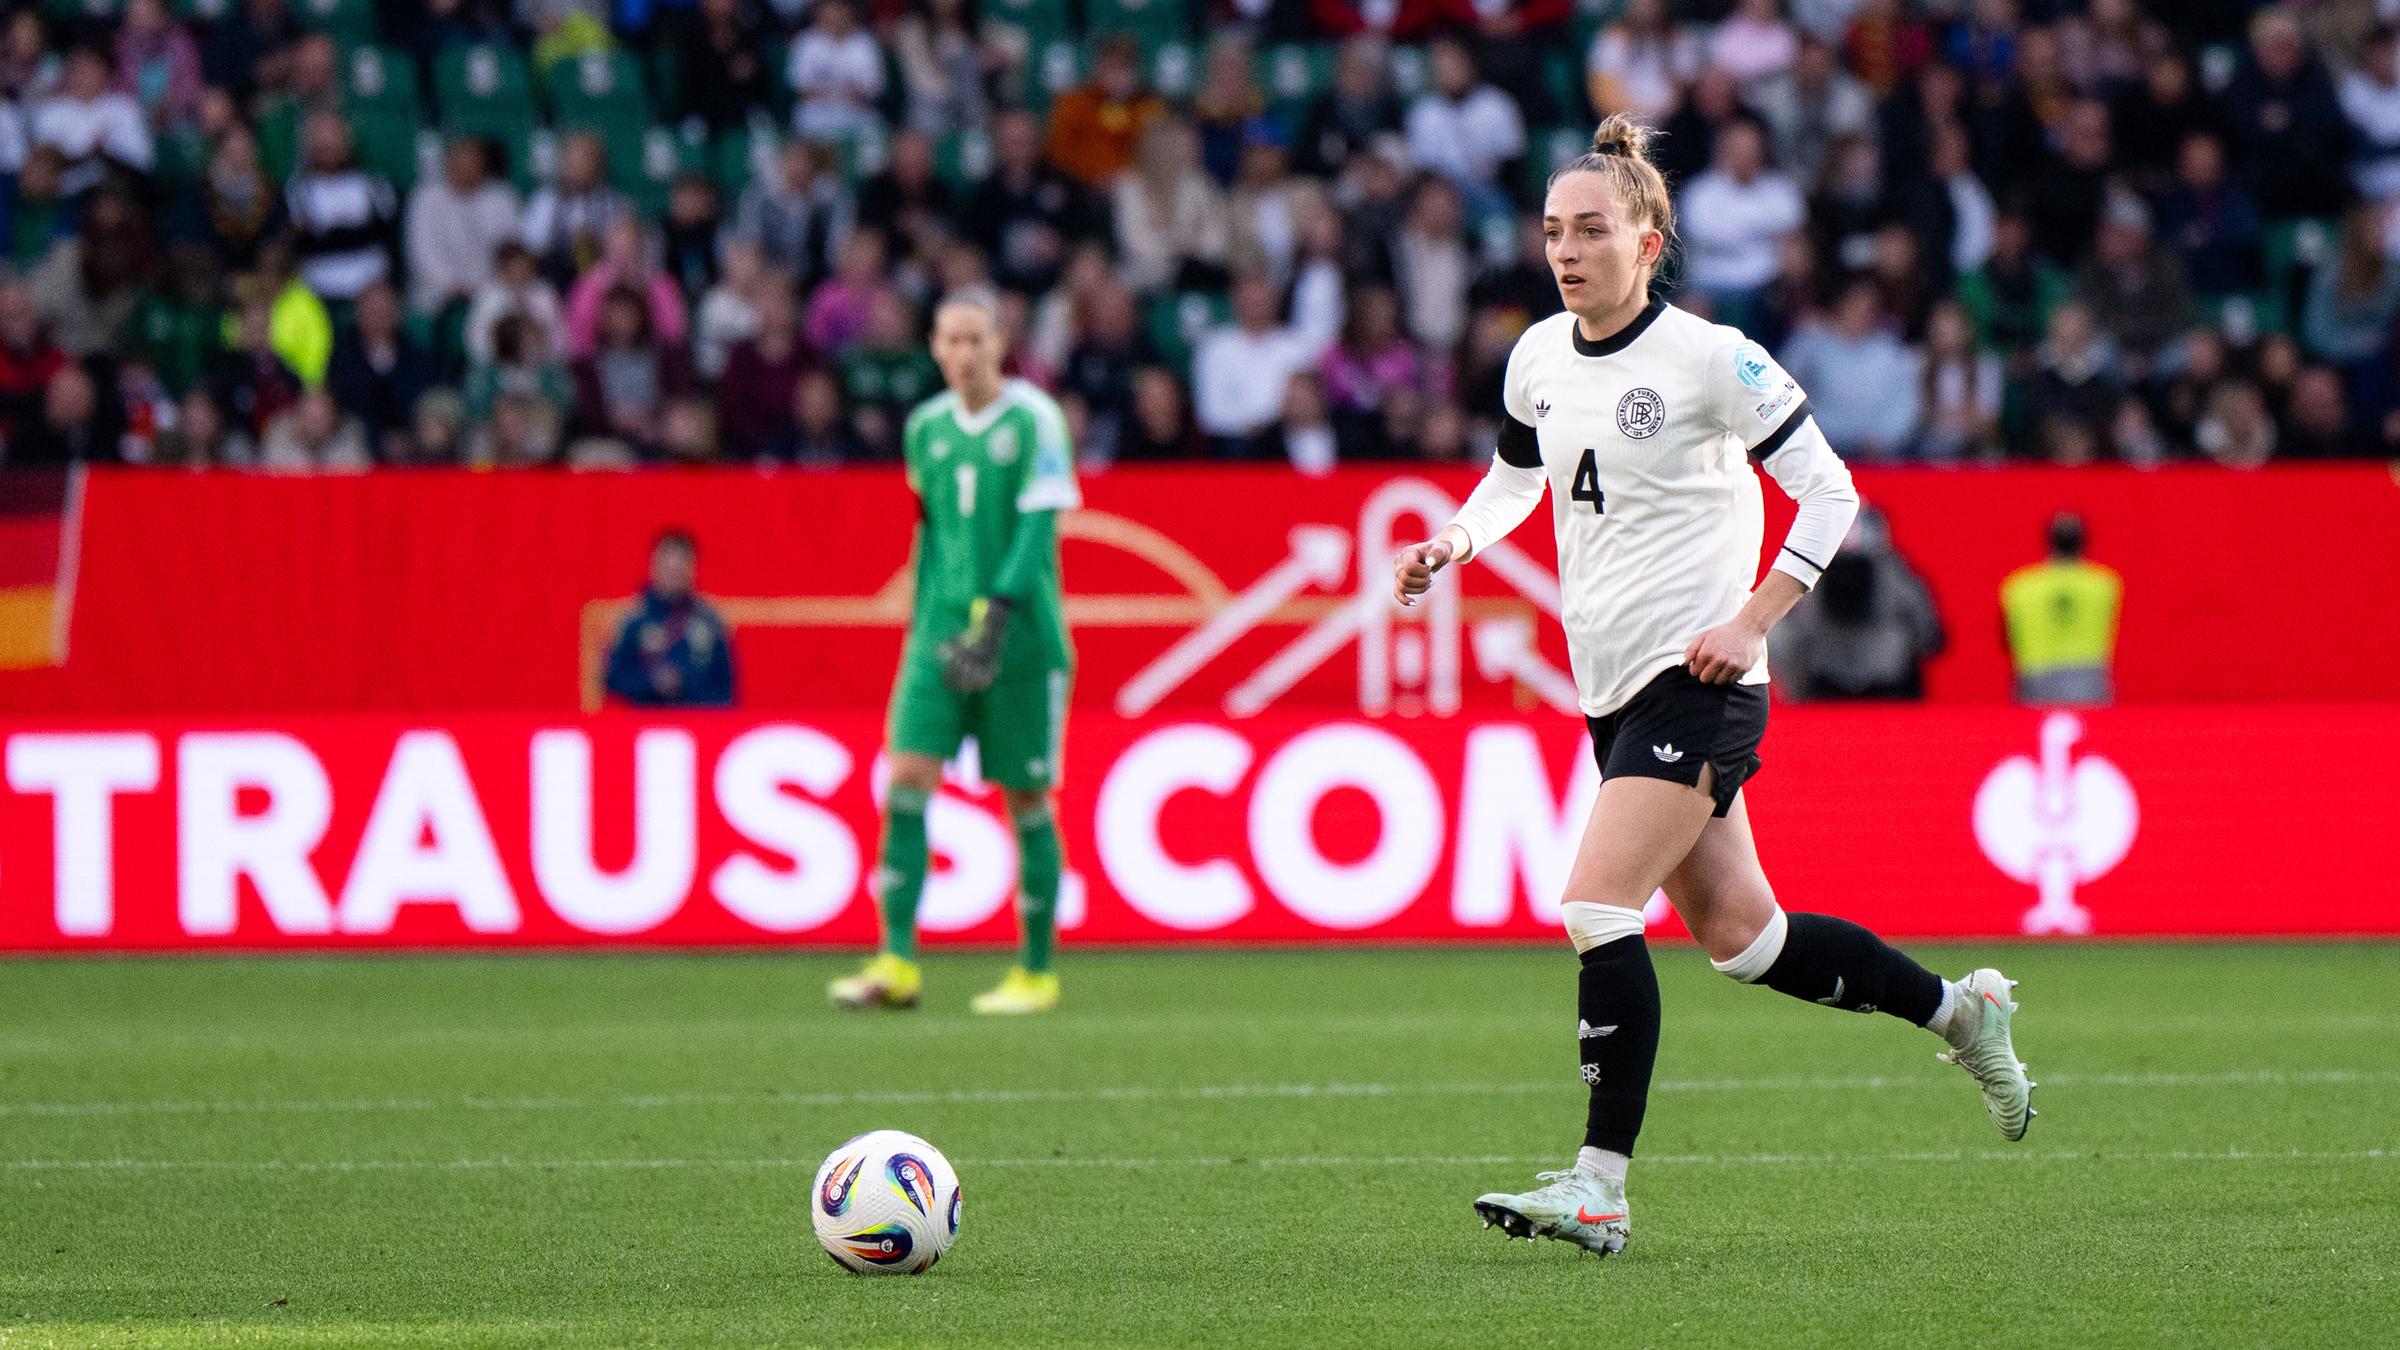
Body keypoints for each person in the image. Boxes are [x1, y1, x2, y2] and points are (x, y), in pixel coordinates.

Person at [1390, 115, 2035, 1258]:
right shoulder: (1537, 355)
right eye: (1552, 231)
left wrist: (1750, 621)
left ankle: (1600, 1187)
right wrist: (1454, 542)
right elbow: (1512, 478)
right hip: (1612, 691)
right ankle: (1958, 1010)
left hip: (1700, 678)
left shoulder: (1711, 357)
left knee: (1594, 905)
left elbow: (1831, 494)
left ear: (1649, 241)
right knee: (1747, 939)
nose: (1566, 250)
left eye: (1591, 229)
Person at [828, 287, 1079, 1017]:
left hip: (1023, 641)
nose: (963, 355)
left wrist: (997, 613)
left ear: (1001, 343)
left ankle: (1036, 971)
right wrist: (923, 619)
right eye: (950, 341)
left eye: (976, 341)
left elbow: (1038, 528)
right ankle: (896, 961)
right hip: (938, 638)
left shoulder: (1035, 419)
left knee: (1026, 795)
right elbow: (930, 527)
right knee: (906, 774)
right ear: (934, 347)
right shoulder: (926, 428)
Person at [602, 529, 737, 707]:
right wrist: (652, 683)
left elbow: (726, 687)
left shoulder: (709, 621)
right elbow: (613, 679)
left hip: (698, 723)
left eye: (681, 566)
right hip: (646, 723)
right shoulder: (634, 620)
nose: (675, 573)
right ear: (654, 566)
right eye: (668, 567)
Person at [2000, 511, 2120, 706]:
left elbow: (2006, 636)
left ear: (2048, 540)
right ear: (2084, 540)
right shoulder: (2104, 584)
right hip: (2087, 675)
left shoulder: (2020, 586)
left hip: (2035, 674)